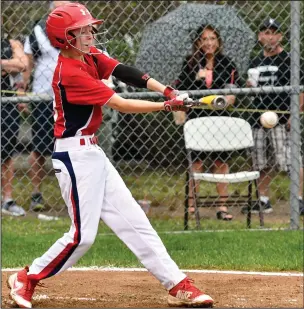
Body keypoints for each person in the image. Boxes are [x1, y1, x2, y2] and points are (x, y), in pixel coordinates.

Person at [7, 3, 214, 308]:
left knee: (135, 221)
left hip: (92, 154)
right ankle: (27, 277)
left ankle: (178, 284)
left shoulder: (89, 56)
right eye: (83, 30)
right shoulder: (70, 71)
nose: (91, 33)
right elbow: (119, 103)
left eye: (90, 28)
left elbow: (124, 72)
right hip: (73, 158)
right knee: (82, 237)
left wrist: (167, 91)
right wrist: (167, 107)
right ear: (66, 38)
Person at [173, 24, 239, 220]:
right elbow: (182, 88)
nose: (209, 42)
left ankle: (222, 207)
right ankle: (192, 206)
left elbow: (232, 92)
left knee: (221, 161)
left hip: (221, 118)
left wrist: (224, 101)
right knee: (197, 162)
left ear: (218, 41)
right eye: (204, 39)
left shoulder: (228, 63)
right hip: (197, 118)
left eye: (212, 38)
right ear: (198, 43)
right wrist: (197, 78)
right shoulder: (190, 63)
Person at [244, 18, 304, 215]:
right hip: (258, 120)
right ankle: (263, 200)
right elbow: (251, 90)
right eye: (266, 33)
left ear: (280, 36)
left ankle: (299, 199)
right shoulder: (254, 62)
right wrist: (249, 88)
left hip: (282, 119)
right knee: (261, 163)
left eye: (274, 32)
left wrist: (294, 115)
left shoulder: (290, 60)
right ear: (260, 36)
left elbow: (302, 91)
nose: (270, 36)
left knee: (289, 160)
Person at [22, 1, 71, 211]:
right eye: (59, 10)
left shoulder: (77, 32)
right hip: (43, 96)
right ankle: (36, 194)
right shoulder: (37, 33)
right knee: (40, 148)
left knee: (72, 146)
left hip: (70, 96)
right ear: (51, 12)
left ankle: (74, 194)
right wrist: (22, 91)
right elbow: (28, 65)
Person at [1, 17, 28, 216]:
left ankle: (7, 200)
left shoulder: (11, 44)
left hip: (6, 103)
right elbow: (15, 65)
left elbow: (22, 65)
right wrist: (8, 65)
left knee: (7, 152)